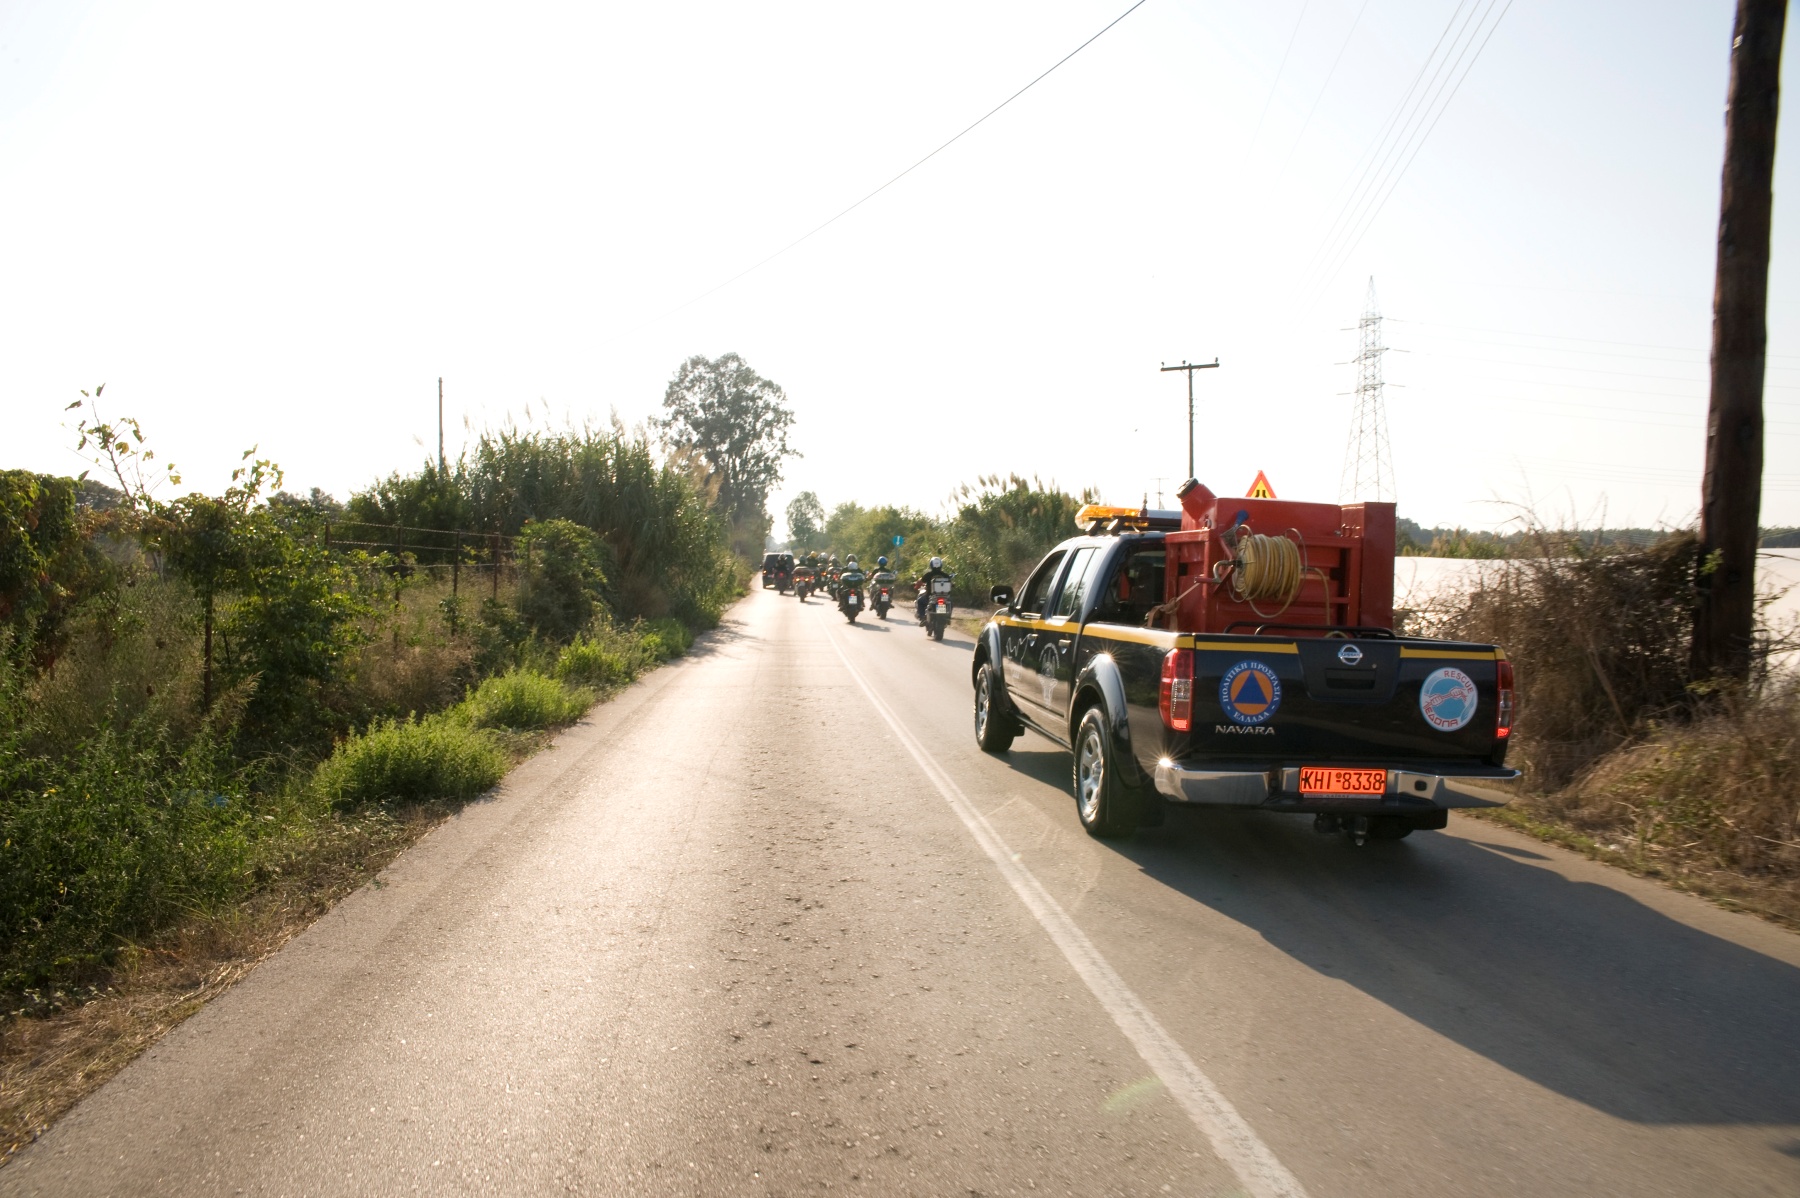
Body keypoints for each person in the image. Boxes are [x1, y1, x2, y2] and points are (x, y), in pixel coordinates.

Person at [914, 555, 952, 623]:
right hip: (944, 596)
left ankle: (922, 618)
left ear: (931, 565)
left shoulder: (928, 574)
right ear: (941, 565)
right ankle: (948, 618)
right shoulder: (945, 575)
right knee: (950, 602)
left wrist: (917, 585)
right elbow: (950, 583)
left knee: (920, 601)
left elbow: (921, 581)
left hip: (930, 596)